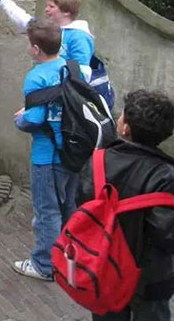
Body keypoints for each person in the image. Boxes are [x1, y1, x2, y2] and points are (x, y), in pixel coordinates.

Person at [77, 90, 174, 321]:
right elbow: (167, 234)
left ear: (125, 128)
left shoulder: (99, 161)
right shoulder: (166, 175)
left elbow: (82, 203)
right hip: (150, 278)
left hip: (105, 266)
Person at [12, 17, 78, 280]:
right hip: (73, 151)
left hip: (47, 156)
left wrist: (20, 118)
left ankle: (44, 265)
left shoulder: (36, 77)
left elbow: (35, 119)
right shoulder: (71, 68)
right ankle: (68, 258)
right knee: (68, 207)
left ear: (36, 49)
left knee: (46, 212)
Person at [0, 0, 94, 80]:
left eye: (51, 6)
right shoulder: (47, 28)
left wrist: (56, 79)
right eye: (46, 6)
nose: (46, 9)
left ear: (66, 11)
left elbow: (82, 72)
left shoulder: (79, 36)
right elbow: (22, 19)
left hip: (64, 88)